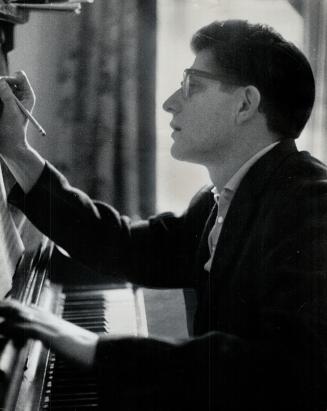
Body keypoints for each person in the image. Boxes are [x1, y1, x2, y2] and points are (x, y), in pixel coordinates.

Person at [0, 19, 326, 411]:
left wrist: (93, 347)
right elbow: (126, 246)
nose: (170, 101)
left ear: (245, 104)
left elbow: (283, 368)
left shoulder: (311, 204)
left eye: (193, 85)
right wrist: (17, 150)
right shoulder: (224, 198)